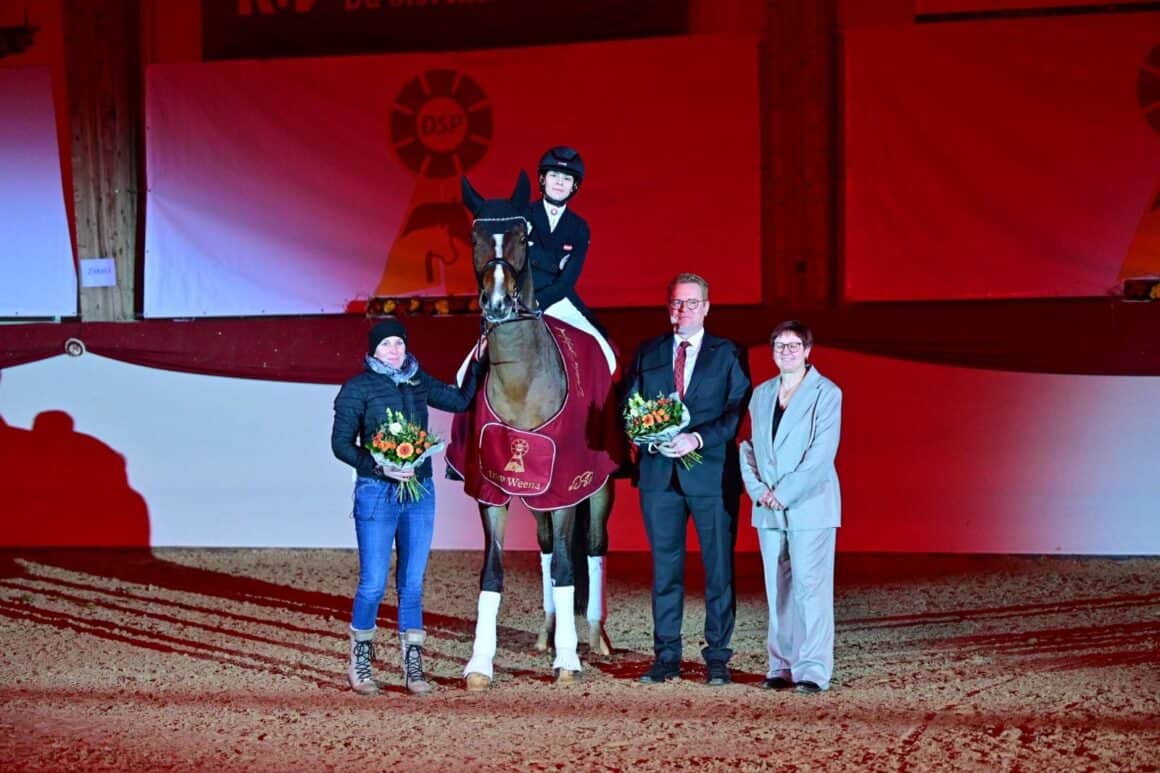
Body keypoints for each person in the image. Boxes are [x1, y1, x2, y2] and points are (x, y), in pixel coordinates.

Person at [331, 317, 482, 696]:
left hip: (419, 492)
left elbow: (461, 400)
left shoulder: (418, 381)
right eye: (386, 345)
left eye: (398, 343)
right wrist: (377, 465)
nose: (394, 350)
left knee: (412, 585)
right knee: (373, 583)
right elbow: (341, 444)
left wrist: (483, 359)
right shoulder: (357, 388)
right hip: (376, 491)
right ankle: (360, 662)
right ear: (373, 351)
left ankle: (413, 666)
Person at [622, 272, 750, 685]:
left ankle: (717, 656)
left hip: (712, 476)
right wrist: (645, 435)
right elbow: (630, 406)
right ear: (668, 307)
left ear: (707, 308)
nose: (683, 310)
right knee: (665, 569)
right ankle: (666, 656)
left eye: (691, 303)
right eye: (677, 303)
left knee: (718, 570)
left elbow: (735, 413)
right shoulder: (648, 352)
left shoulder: (727, 353)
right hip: (660, 477)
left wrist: (697, 438)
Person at [739, 320, 842, 694]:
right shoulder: (762, 394)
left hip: (809, 506)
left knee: (809, 589)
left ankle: (813, 669)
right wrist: (758, 490)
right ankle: (780, 665)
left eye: (793, 345)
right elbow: (748, 447)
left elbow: (821, 455)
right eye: (779, 345)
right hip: (768, 508)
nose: (786, 351)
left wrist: (785, 492)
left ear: (808, 350)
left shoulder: (826, 393)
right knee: (777, 590)